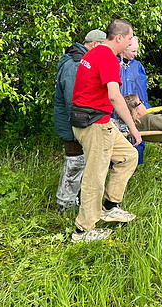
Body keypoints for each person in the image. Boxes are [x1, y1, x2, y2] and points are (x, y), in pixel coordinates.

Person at [70, 19, 143, 243]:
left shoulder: (94, 52)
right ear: (119, 38)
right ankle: (83, 230)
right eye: (129, 38)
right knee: (95, 177)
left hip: (96, 120)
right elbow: (114, 96)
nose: (130, 43)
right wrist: (133, 128)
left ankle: (110, 207)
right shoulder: (108, 58)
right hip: (95, 125)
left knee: (128, 156)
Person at [53, 29, 106, 211]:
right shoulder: (75, 65)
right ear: (94, 44)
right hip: (73, 123)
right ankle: (65, 204)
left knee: (80, 161)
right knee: (75, 163)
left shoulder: (81, 61)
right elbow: (73, 100)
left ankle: (74, 200)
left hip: (77, 121)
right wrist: (84, 123)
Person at [118, 36, 150, 164]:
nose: (136, 54)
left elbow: (143, 90)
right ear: (124, 48)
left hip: (136, 110)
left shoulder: (137, 66)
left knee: (137, 138)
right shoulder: (114, 64)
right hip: (118, 111)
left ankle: (136, 166)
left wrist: (145, 107)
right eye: (133, 51)